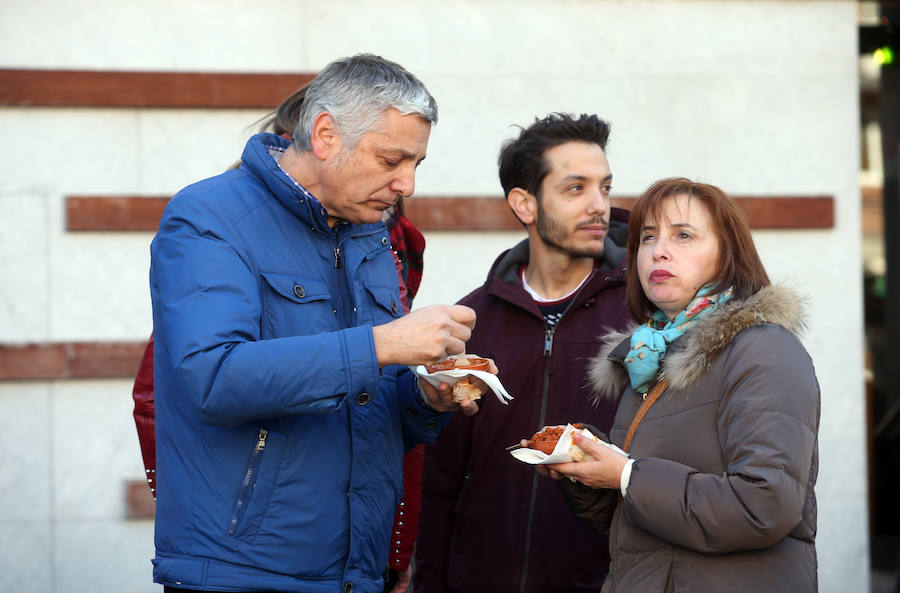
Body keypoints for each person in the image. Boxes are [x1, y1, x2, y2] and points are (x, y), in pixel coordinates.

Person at [149, 53, 494, 593]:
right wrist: (380, 344)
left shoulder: (370, 235)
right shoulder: (208, 216)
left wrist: (428, 399)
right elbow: (212, 379)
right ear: (326, 135)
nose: (406, 184)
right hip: (242, 573)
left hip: (357, 571)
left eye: (416, 165)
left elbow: (368, 411)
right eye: (390, 160)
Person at [546, 177, 820, 592]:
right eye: (648, 237)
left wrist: (627, 475)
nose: (659, 250)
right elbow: (639, 524)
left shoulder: (763, 350)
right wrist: (588, 472)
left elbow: (764, 507)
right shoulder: (649, 357)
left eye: (684, 235)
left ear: (728, 255)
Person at [414, 113, 632, 593]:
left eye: (605, 187)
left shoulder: (643, 319)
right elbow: (441, 479)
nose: (599, 206)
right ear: (525, 204)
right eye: (576, 188)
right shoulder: (472, 321)